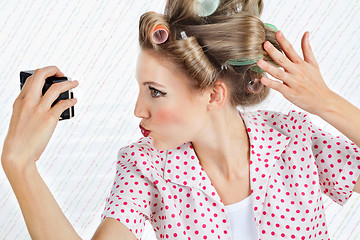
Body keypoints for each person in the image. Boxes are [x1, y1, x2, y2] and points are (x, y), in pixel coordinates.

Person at [1, 0, 360, 239]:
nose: (139, 110)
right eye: (141, 89)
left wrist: (326, 103)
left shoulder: (293, 139)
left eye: (155, 91)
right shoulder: (145, 165)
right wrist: (20, 165)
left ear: (214, 95)